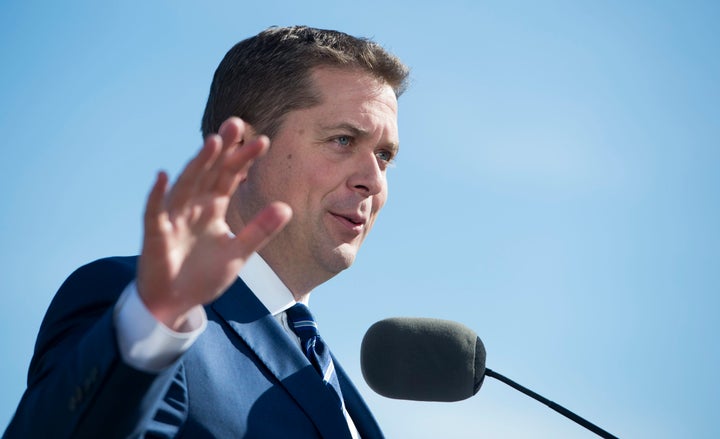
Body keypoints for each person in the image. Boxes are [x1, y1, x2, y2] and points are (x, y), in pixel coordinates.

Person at [3, 26, 409, 438]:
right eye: (343, 140)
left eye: (383, 156)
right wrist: (153, 321)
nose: (373, 180)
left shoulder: (334, 390)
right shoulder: (138, 310)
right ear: (241, 151)